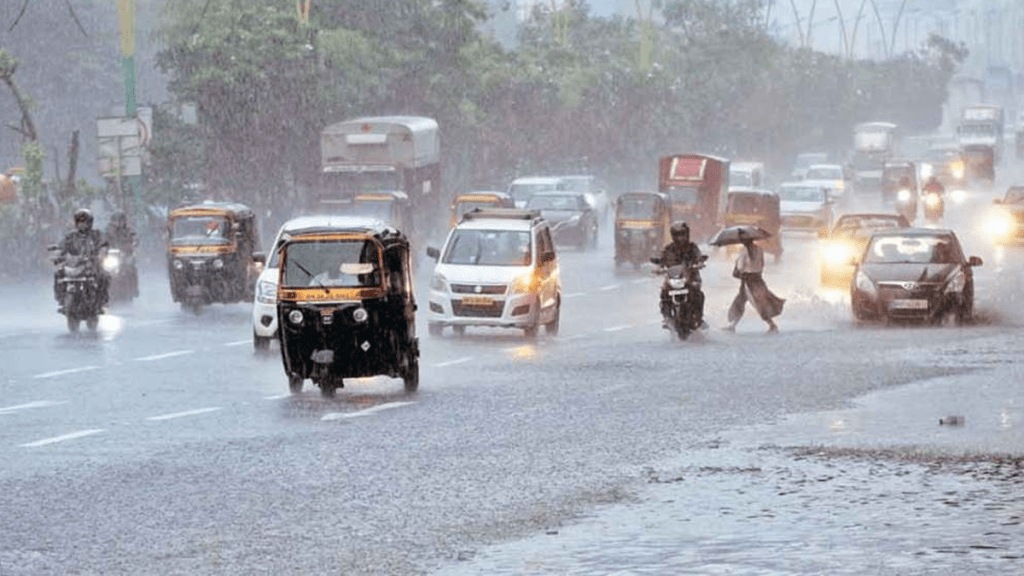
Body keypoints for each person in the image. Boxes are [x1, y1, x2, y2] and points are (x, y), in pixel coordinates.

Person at [725, 237, 784, 333]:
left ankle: (772, 325)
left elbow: (740, 267)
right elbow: (762, 264)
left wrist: (737, 265)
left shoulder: (744, 251)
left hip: (748, 281)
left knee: (751, 303)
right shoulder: (759, 249)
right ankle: (733, 325)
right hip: (757, 279)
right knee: (749, 302)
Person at [54, 208, 109, 311]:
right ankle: (61, 299)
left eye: (85, 222)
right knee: (58, 274)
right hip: (74, 265)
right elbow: (61, 247)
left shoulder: (96, 235)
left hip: (91, 264)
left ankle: (101, 301)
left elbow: (103, 245)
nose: (82, 224)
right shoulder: (70, 236)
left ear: (90, 223)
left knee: (104, 276)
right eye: (79, 222)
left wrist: (101, 254)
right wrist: (57, 256)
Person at [658, 221, 705, 329]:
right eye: (677, 234)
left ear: (687, 234)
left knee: (699, 295)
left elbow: (699, 256)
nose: (680, 237)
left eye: (682, 234)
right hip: (674, 278)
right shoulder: (668, 249)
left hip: (690, 277)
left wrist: (699, 263)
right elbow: (661, 260)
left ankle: (698, 318)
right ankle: (667, 317)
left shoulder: (692, 247)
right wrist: (659, 268)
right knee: (664, 293)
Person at [104, 210, 140, 297]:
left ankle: (133, 289)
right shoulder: (108, 231)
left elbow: (135, 238)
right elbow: (102, 240)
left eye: (121, 220)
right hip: (112, 256)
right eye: (116, 220)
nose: (118, 223)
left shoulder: (128, 230)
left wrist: (134, 243)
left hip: (126, 255)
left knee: (130, 268)